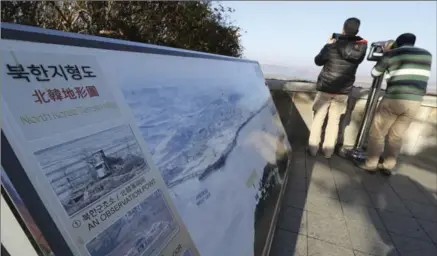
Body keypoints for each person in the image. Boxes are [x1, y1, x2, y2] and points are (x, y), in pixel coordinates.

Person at [357, 33, 433, 175]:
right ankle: (388, 166)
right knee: (397, 135)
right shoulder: (427, 55)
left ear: (398, 43)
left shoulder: (392, 54)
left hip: (394, 98)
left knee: (377, 132)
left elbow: (375, 72)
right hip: (415, 101)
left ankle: (371, 164)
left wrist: (386, 53)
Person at [308, 17, 368, 158]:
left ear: (343, 29)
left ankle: (312, 150)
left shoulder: (333, 46)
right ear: (357, 31)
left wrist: (328, 45)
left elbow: (318, 61)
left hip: (326, 88)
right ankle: (328, 152)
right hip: (342, 91)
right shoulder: (360, 48)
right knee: (334, 122)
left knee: (318, 119)